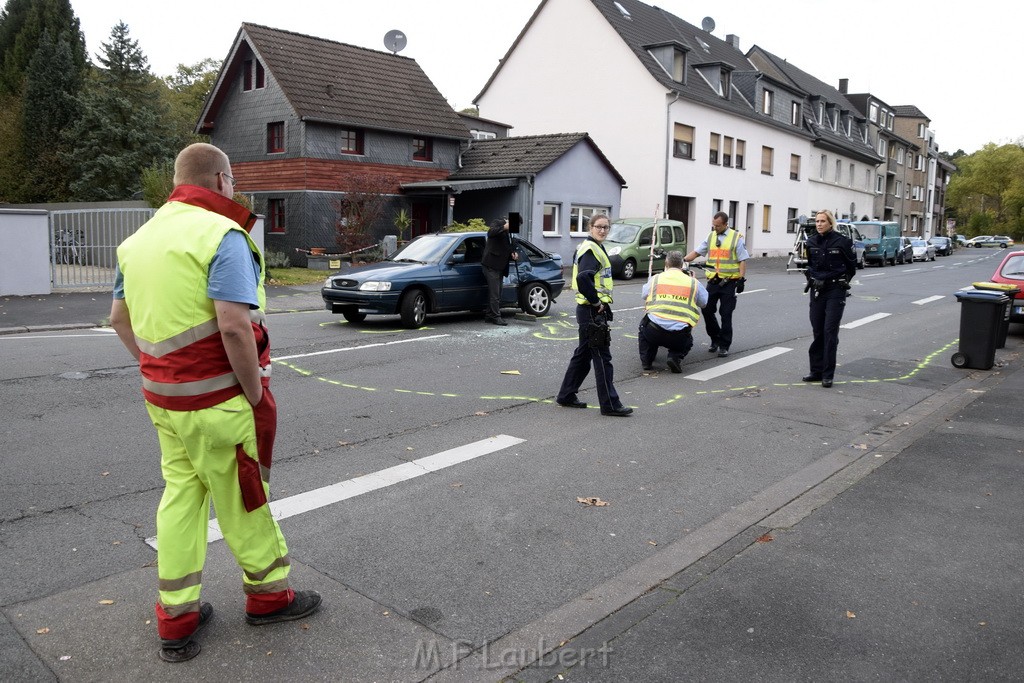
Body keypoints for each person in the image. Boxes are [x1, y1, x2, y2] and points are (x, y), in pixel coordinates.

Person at [110, 143, 321, 663]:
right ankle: (270, 597)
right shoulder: (221, 235)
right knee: (244, 496)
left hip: (164, 400)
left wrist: (158, 367)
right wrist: (253, 393)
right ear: (223, 180)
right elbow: (233, 324)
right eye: (233, 181)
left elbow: (118, 318)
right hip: (218, 401)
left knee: (181, 497)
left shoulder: (138, 241)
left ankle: (176, 617)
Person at [556, 215, 633, 416]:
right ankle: (610, 404)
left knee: (583, 354)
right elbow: (583, 277)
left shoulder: (593, 247)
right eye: (599, 227)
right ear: (590, 227)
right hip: (592, 311)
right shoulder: (591, 249)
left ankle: (566, 394)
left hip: (589, 311)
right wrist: (597, 302)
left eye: (606, 227)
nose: (603, 230)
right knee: (602, 358)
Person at [802, 209, 857, 388]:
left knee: (829, 331)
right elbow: (808, 266)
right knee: (818, 330)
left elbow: (851, 268)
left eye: (822, 221)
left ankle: (828, 374)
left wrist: (840, 283)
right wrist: (812, 279)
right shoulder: (810, 242)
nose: (819, 224)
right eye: (817, 221)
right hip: (817, 290)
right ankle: (816, 371)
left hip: (835, 290)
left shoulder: (842, 242)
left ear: (830, 223)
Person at [683, 211, 749, 357]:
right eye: (713, 225)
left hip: (729, 282)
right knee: (706, 310)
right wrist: (683, 260)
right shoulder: (711, 236)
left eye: (718, 226)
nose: (715, 228)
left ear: (726, 224)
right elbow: (697, 252)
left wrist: (741, 279)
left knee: (726, 314)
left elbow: (742, 259)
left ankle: (724, 345)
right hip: (713, 281)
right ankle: (715, 338)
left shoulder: (736, 238)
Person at [639, 251, 709, 373]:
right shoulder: (693, 282)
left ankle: (646, 361)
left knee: (644, 327)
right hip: (679, 335)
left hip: (653, 331)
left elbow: (644, 295)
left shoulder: (656, 279)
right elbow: (704, 303)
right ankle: (674, 356)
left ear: (666, 263)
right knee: (688, 341)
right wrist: (693, 281)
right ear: (682, 265)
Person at [481, 217, 518, 325]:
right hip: (491, 265)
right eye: (516, 225)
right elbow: (490, 233)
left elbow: (506, 247)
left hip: (500, 266)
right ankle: (496, 317)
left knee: (497, 293)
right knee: (495, 294)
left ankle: (489, 315)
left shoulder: (509, 234)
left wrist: (513, 253)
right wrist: (504, 227)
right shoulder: (497, 223)